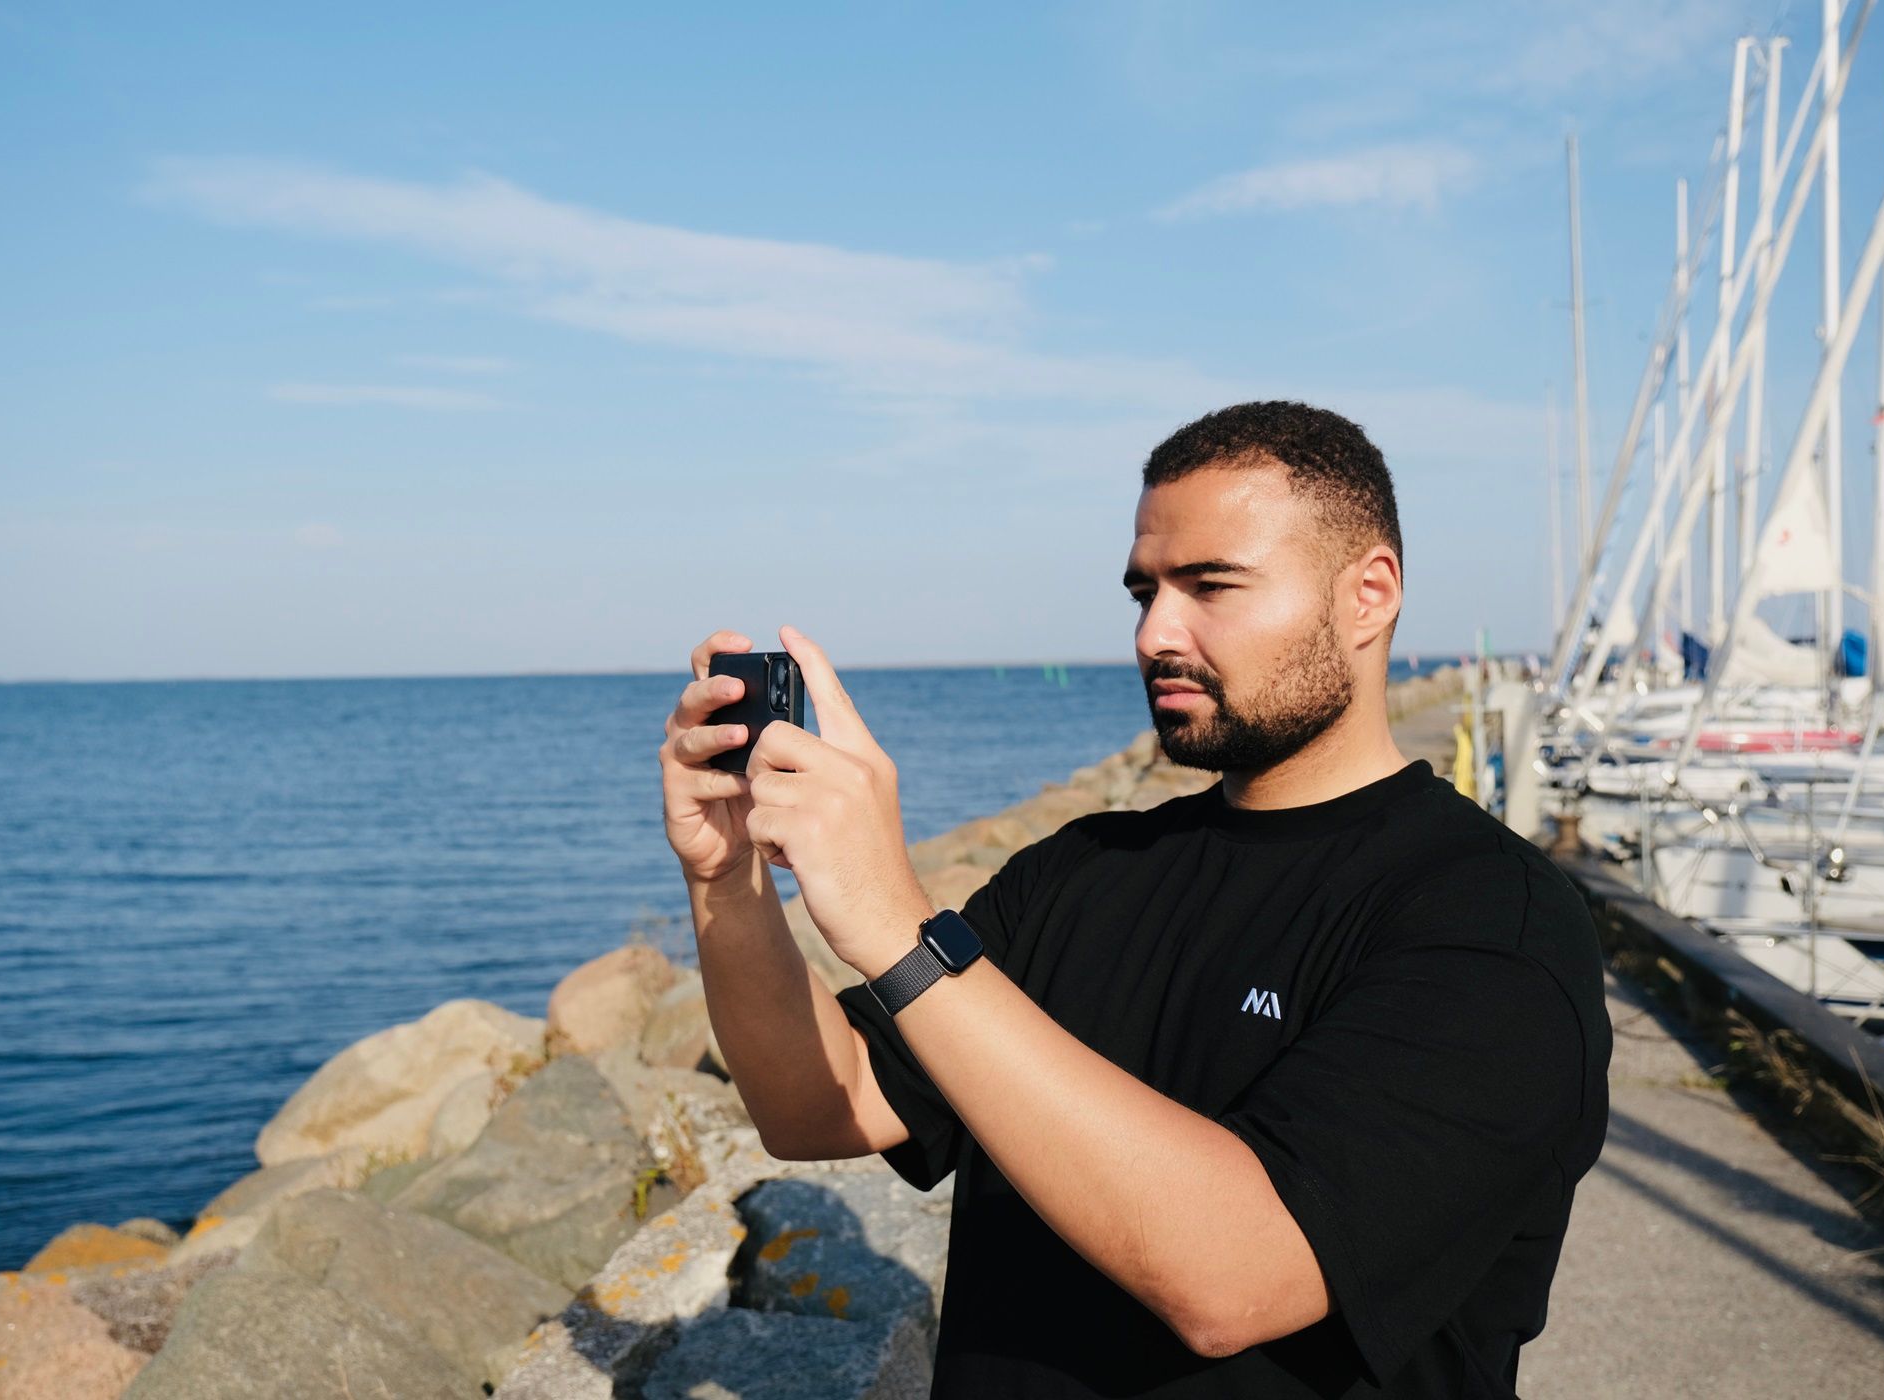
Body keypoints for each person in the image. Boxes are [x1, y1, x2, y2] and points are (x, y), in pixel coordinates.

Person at [657, 400, 1611, 1397]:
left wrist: (899, 928)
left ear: (1367, 594)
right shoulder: (1080, 869)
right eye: (1144, 591)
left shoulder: (1493, 919)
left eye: (1210, 585)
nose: (1157, 631)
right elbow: (822, 1104)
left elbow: (1237, 1275)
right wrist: (727, 879)